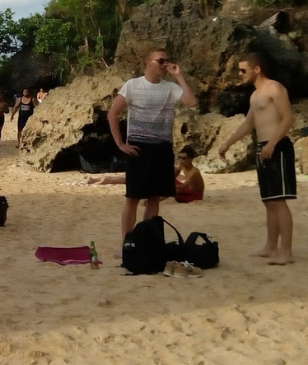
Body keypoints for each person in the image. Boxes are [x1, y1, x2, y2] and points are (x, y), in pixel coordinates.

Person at [109, 48, 197, 248]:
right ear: (148, 62)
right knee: (132, 198)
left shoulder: (170, 87)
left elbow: (192, 102)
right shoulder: (132, 85)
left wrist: (179, 76)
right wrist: (120, 144)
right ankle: (127, 244)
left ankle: (145, 242)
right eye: (161, 60)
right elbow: (113, 113)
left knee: (154, 198)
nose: (165, 64)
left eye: (167, 60)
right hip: (138, 148)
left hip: (162, 148)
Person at [218, 52, 295, 265]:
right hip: (264, 148)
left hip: (277, 147)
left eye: (243, 70)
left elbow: (288, 118)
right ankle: (271, 247)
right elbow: (248, 124)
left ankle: (286, 252)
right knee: (269, 201)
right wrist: (227, 143)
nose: (240, 74)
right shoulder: (254, 95)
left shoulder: (274, 88)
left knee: (279, 201)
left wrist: (272, 144)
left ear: (257, 68)